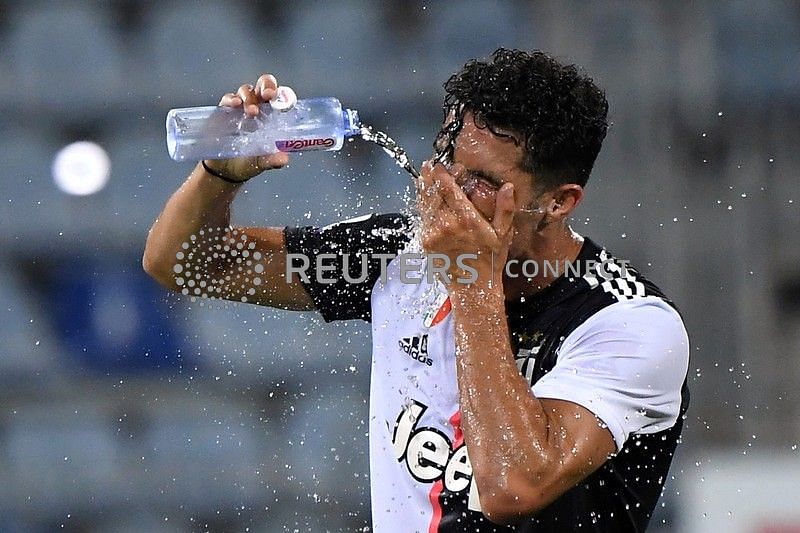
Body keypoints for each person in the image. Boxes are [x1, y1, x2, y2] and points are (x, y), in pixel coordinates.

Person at [144, 48, 689, 532]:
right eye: (448, 160)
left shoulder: (630, 324)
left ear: (559, 202)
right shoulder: (398, 257)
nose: (446, 190)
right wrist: (221, 172)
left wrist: (474, 282)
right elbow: (183, 263)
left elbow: (511, 486)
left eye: (481, 181)